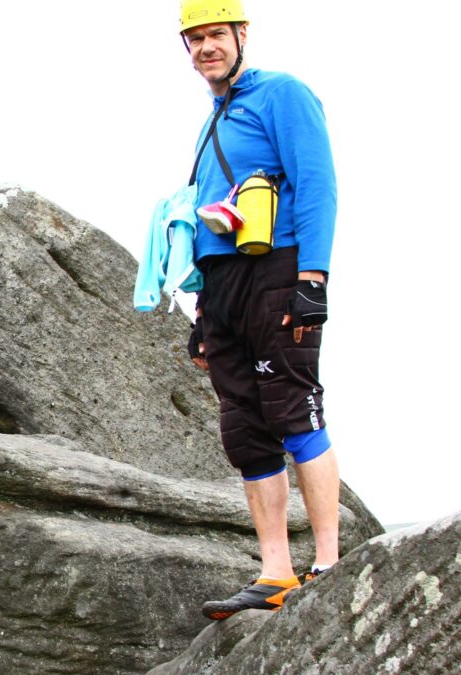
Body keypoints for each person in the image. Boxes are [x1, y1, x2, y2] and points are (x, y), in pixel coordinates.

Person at [177, 0, 341, 620]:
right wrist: (203, 312)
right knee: (244, 428)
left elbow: (317, 183)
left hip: (278, 270)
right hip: (223, 287)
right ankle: (275, 573)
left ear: (242, 34)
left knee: (292, 408)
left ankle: (328, 564)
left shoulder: (282, 94)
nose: (205, 48)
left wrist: (312, 279)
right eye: (194, 39)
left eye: (216, 34)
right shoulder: (213, 120)